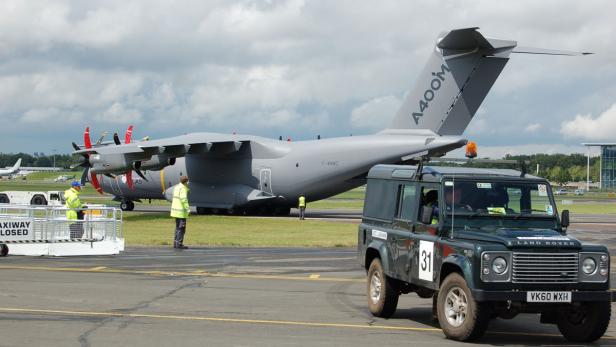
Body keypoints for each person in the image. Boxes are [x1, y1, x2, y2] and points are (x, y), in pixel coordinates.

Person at [170, 176, 190, 249]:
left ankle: (175, 243)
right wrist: (188, 209)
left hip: (175, 211)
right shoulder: (183, 189)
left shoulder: (176, 187)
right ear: (185, 182)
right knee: (181, 228)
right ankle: (179, 244)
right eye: (187, 181)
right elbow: (184, 199)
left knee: (177, 228)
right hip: (181, 212)